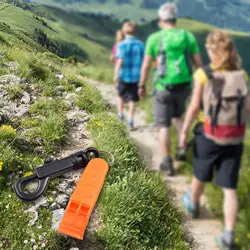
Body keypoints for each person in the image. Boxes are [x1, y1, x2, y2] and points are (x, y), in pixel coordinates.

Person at [180, 30, 250, 250]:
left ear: (213, 50)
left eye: (209, 50)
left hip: (209, 135)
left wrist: (183, 132)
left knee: (200, 174)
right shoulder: (241, 75)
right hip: (234, 138)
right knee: (229, 187)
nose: (208, 54)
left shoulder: (203, 74)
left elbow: (193, 107)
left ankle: (193, 204)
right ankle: (228, 235)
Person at [139, 3, 202, 176]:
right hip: (184, 85)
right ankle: (182, 146)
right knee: (178, 116)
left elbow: (146, 65)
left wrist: (141, 85)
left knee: (164, 126)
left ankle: (167, 161)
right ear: (175, 19)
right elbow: (198, 63)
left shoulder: (155, 38)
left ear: (161, 20)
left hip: (163, 87)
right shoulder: (187, 36)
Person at [114, 21, 144, 130]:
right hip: (136, 77)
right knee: (132, 99)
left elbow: (119, 61)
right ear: (135, 31)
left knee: (120, 95)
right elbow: (144, 61)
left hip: (123, 76)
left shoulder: (121, 45)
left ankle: (121, 114)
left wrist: (116, 75)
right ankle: (131, 120)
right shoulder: (140, 45)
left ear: (124, 31)